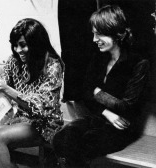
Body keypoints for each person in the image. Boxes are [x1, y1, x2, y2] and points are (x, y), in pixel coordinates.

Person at [52, 5, 149, 168]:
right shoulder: (98, 58)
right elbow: (85, 93)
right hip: (99, 118)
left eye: (99, 34)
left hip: (122, 127)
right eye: (93, 33)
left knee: (83, 144)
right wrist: (106, 112)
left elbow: (126, 106)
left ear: (118, 34)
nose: (94, 39)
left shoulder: (138, 64)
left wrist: (97, 92)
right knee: (61, 138)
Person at [0, 18, 64, 168]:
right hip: (20, 117)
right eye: (15, 45)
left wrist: (6, 89)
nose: (18, 50)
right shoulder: (14, 60)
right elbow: (5, 87)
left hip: (45, 123)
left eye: (23, 45)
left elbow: (41, 109)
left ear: (35, 43)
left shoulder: (53, 65)